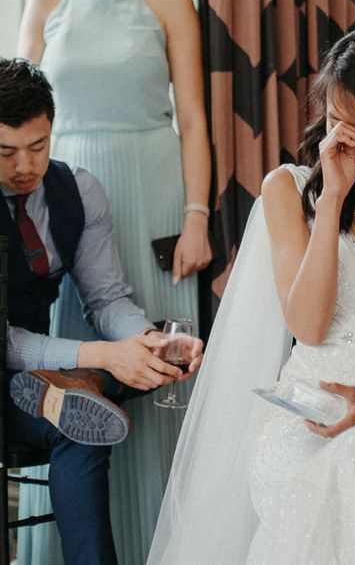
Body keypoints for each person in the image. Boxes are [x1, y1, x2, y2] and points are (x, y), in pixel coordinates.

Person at [147, 28, 355, 563]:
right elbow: (307, 326)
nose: (351, 142)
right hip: (303, 414)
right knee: (320, 467)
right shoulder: (289, 189)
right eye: (337, 123)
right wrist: (331, 202)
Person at [15, 0, 211, 562]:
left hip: (148, 186)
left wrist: (196, 216)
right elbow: (19, 104)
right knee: (71, 354)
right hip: (56, 194)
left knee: (147, 344)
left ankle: (159, 537)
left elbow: (191, 114)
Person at [0, 57, 203, 565]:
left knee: (84, 424)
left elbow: (107, 299)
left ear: (52, 129)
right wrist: (104, 357)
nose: (24, 166)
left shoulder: (79, 190)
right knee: (90, 396)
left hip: (34, 379)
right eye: (4, 152)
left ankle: (74, 388)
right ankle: (77, 384)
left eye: (38, 146)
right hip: (9, 363)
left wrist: (144, 342)